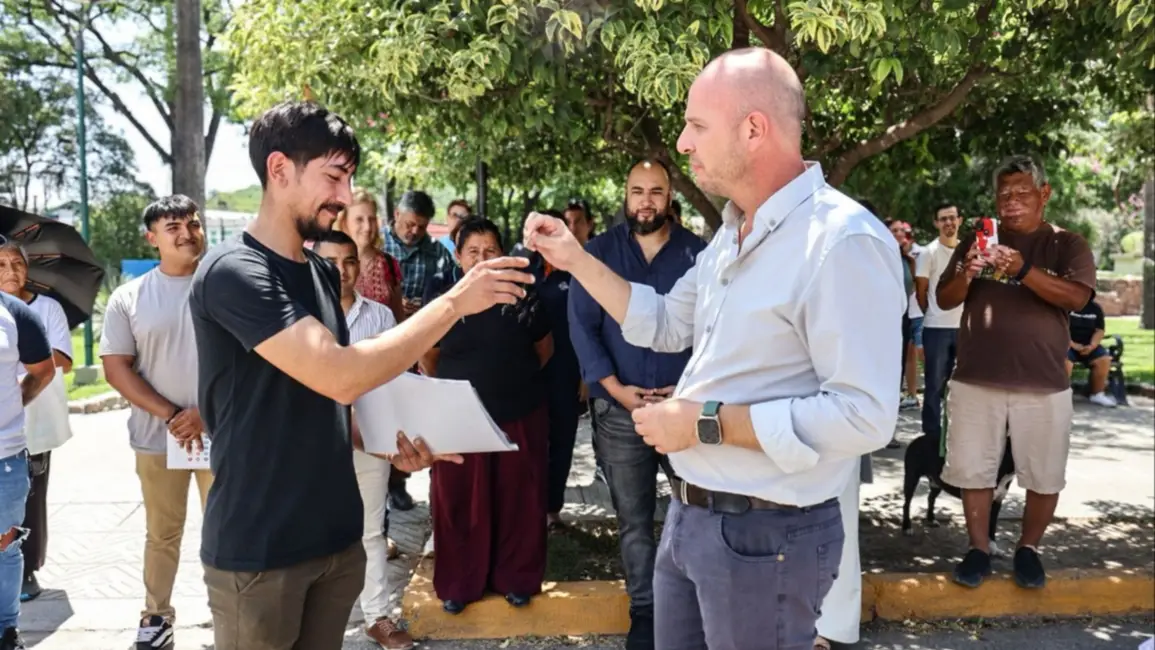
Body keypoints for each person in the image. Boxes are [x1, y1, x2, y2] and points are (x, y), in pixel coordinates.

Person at [524, 47, 902, 649]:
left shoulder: (841, 241)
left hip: (767, 536)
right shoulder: (731, 234)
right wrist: (573, 258)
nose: (682, 143)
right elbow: (664, 321)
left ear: (753, 129)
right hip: (692, 520)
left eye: (696, 125)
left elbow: (864, 415)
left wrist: (703, 423)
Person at [189, 101, 532, 650]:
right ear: (279, 169)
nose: (346, 196)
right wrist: (453, 304)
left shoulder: (322, 274)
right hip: (261, 549)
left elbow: (327, 401)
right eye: (333, 177)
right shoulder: (235, 272)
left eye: (349, 179)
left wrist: (386, 442)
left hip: (335, 540)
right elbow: (340, 375)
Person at [937, 155, 1095, 590]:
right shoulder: (978, 239)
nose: (1011, 200)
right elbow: (945, 298)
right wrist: (968, 272)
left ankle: (1028, 549)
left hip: (1043, 382)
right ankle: (978, 548)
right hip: (975, 377)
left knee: (1044, 472)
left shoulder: (1066, 244)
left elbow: (1077, 298)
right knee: (973, 469)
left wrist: (1021, 269)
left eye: (1022, 191)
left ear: (1044, 194)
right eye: (1004, 193)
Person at [568, 159, 705, 650]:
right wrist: (614, 388)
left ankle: (695, 606)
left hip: (683, 410)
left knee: (700, 511)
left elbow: (713, 331)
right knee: (633, 520)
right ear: (625, 197)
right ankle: (644, 613)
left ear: (670, 198)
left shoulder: (699, 256)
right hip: (620, 411)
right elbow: (582, 326)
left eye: (656, 191)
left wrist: (687, 389)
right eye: (637, 191)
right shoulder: (598, 254)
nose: (646, 201)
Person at [420, 217, 553, 615]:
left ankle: (516, 580)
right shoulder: (443, 296)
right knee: (459, 501)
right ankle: (459, 585)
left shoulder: (523, 293)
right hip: (457, 417)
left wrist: (507, 380)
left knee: (519, 498)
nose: (481, 259)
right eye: (473, 252)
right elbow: (428, 354)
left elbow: (544, 348)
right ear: (458, 257)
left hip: (519, 410)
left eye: (490, 250)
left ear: (502, 254)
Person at [99, 195, 211, 650]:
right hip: (157, 438)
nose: (187, 234)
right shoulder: (130, 297)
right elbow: (116, 368)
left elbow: (251, 361)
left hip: (222, 432)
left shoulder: (224, 287)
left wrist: (206, 412)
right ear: (152, 238)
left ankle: (233, 613)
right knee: (162, 534)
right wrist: (173, 415)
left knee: (229, 529)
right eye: (173, 227)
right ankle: (156, 616)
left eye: (193, 224)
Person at [313, 231, 413, 650]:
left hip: (369, 438)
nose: (342, 270)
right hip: (310, 443)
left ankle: (377, 616)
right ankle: (313, 621)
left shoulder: (380, 317)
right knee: (312, 531)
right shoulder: (297, 316)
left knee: (371, 530)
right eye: (331, 261)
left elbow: (394, 379)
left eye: (349, 260)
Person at [0, 242, 72, 604]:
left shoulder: (45, 308)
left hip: (37, 420)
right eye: (2, 264)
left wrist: (25, 351)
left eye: (18, 263)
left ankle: (28, 568)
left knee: (31, 497)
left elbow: (63, 360)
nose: (11, 271)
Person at [382, 189, 458, 513]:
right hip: (382, 338)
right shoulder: (378, 245)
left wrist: (425, 308)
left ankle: (399, 482)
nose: (414, 231)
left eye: (421, 227)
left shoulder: (438, 253)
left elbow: (449, 292)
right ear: (396, 215)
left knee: (411, 417)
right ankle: (382, 481)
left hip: (421, 343)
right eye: (409, 224)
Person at [0, 290, 54, 650]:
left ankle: (6, 629)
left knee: (4, 546)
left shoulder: (13, 311)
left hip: (5, 456)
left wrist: (11, 407)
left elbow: (43, 369)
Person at [537, 211, 586, 530]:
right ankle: (528, 508)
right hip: (529, 374)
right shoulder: (524, 270)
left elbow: (590, 326)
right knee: (531, 442)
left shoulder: (579, 272)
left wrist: (587, 375)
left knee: (562, 441)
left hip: (568, 372)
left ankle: (552, 509)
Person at [915, 203, 963, 443]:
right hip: (937, 328)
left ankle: (959, 431)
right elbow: (921, 292)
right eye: (943, 219)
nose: (948, 223)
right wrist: (932, 312)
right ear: (936, 223)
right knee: (934, 385)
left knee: (963, 385)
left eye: (952, 218)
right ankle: (931, 437)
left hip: (964, 328)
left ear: (960, 220)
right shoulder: (928, 252)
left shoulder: (967, 251)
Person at [334, 188, 405, 324]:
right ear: (344, 222)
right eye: (359, 220)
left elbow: (398, 317)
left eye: (371, 219)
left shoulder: (389, 264)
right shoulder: (328, 262)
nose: (367, 227)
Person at [1066, 298, 1116, 407]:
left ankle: (1097, 394)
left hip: (1090, 346)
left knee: (1104, 360)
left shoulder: (1095, 308)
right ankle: (1063, 394)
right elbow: (1060, 328)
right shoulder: (1065, 306)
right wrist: (1073, 345)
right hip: (1067, 344)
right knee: (1065, 362)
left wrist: (1092, 345)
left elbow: (1100, 330)